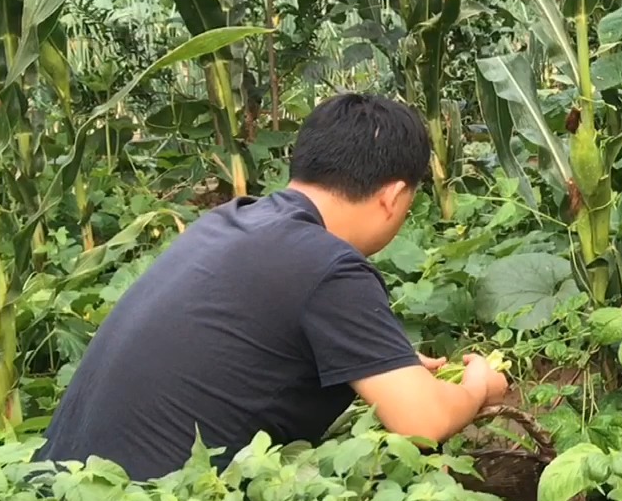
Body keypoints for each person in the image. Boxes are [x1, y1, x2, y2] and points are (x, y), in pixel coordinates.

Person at [37, 93, 509, 480]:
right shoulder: (329, 265)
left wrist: (383, 364)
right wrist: (475, 386)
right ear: (391, 197)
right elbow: (422, 421)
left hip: (60, 498)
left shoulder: (229, 221)